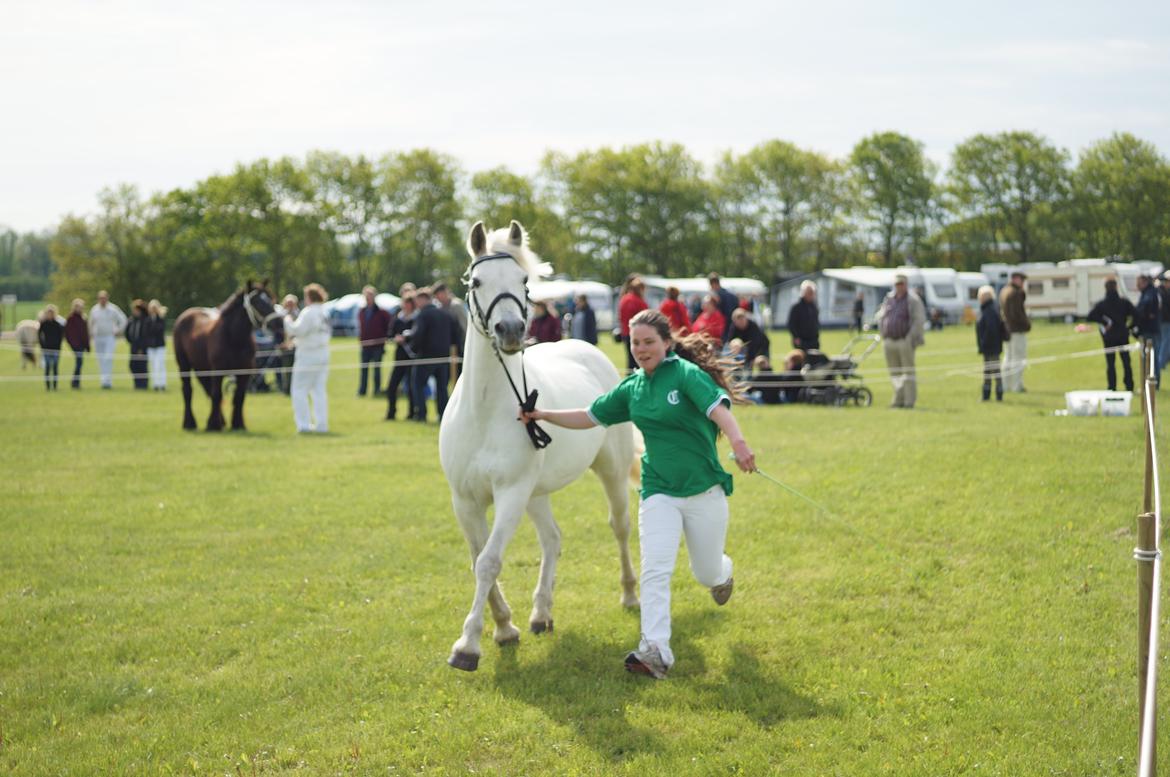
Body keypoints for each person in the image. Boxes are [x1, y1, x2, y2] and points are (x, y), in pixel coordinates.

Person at [518, 308, 756, 679]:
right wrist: (544, 414)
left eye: (648, 342)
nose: (641, 349)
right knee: (655, 571)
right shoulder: (632, 389)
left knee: (706, 572)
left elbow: (718, 410)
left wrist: (739, 443)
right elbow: (589, 415)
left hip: (703, 490)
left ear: (666, 343)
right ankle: (655, 652)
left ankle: (723, 575)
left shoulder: (685, 375)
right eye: (635, 343)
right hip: (658, 491)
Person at [284, 283, 332, 433]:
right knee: (319, 390)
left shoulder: (309, 312)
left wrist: (287, 320)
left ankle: (304, 425)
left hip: (308, 354)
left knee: (299, 390)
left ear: (309, 297)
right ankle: (321, 425)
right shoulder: (325, 312)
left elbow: (297, 330)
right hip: (323, 353)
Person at [407, 286, 458, 423]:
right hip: (444, 356)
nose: (416, 304)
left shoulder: (423, 315)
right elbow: (455, 335)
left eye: (417, 300)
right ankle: (443, 415)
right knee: (442, 388)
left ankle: (421, 414)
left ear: (424, 299)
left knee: (417, 384)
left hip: (425, 357)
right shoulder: (445, 314)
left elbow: (418, 335)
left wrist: (413, 350)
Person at [876, 273, 927, 409]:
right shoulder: (889, 298)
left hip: (904, 340)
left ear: (906, 284)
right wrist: (883, 334)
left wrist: (910, 338)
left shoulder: (913, 300)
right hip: (889, 340)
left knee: (907, 372)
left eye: (901, 284)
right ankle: (898, 399)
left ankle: (909, 401)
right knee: (894, 373)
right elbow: (881, 316)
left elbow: (919, 320)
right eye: (897, 284)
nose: (899, 286)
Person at [1087, 278, 1137, 392]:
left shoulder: (1102, 304)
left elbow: (1090, 316)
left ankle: (1112, 386)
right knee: (1126, 362)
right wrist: (1129, 327)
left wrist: (1104, 322)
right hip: (1123, 336)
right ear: (1116, 287)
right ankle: (1129, 386)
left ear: (1105, 288)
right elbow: (1136, 315)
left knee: (1110, 363)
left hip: (1109, 337)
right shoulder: (1124, 302)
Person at [386, 292, 417, 420]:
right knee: (392, 386)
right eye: (404, 303)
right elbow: (390, 335)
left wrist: (407, 338)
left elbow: (418, 336)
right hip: (399, 357)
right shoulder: (398, 319)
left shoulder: (416, 318)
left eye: (408, 303)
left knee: (410, 387)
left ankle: (411, 413)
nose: (406, 306)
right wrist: (395, 338)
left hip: (411, 358)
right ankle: (391, 413)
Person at [357, 285, 392, 397]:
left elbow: (389, 326)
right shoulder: (362, 311)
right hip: (365, 345)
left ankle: (377, 389)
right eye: (366, 296)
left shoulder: (382, 312)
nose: (368, 298)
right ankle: (362, 390)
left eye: (370, 296)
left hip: (378, 345)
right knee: (364, 369)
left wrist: (385, 337)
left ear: (374, 297)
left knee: (376, 369)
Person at [999, 271, 1031, 393]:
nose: (1023, 283)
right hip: (1016, 330)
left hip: (1008, 331)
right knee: (1018, 359)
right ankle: (1017, 386)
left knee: (1008, 358)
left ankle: (1006, 385)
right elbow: (1016, 314)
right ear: (1016, 279)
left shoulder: (1004, 291)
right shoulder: (1014, 293)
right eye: (1021, 280)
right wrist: (1027, 324)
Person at [975, 285, 1008, 402]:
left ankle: (996, 395)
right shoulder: (990, 308)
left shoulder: (989, 310)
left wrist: (984, 343)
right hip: (991, 346)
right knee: (989, 371)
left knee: (994, 371)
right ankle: (987, 395)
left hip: (991, 347)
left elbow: (990, 329)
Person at [88, 290, 126, 389]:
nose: (102, 300)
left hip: (109, 337)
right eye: (100, 298)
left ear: (107, 298)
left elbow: (123, 319)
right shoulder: (94, 309)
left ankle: (108, 381)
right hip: (98, 337)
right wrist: (91, 334)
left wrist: (118, 330)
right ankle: (103, 381)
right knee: (100, 359)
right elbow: (90, 323)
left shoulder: (113, 309)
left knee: (108, 358)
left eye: (104, 298)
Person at [1135, 273, 1162, 388]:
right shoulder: (1148, 292)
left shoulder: (1150, 293)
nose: (1137, 286)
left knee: (1151, 357)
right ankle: (1150, 383)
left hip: (1150, 330)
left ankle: (1153, 383)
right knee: (1149, 357)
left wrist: (1142, 314)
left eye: (1139, 283)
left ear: (1145, 282)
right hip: (1149, 329)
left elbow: (1147, 307)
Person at [618, 275, 648, 372]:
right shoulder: (639, 301)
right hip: (638, 334)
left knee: (630, 359)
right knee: (639, 360)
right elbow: (647, 318)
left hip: (626, 333)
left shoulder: (624, 299)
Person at [787, 280, 820, 351]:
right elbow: (791, 324)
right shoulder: (796, 307)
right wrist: (796, 337)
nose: (812, 295)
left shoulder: (814, 307)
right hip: (801, 341)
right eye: (809, 293)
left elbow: (816, 323)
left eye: (812, 293)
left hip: (813, 341)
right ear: (803, 293)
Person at [37, 304, 65, 391]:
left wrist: (58, 345)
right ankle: (48, 386)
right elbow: (39, 335)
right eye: (48, 313)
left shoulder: (58, 324)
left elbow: (61, 336)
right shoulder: (44, 324)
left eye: (52, 313)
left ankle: (55, 386)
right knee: (48, 367)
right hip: (46, 349)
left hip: (56, 349)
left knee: (55, 367)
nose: (50, 314)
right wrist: (42, 345)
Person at [124, 299, 149, 390]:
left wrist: (141, 348)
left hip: (142, 348)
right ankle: (137, 383)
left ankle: (143, 385)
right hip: (133, 346)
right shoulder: (131, 320)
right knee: (133, 365)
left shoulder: (145, 321)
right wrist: (130, 341)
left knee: (142, 366)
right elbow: (127, 332)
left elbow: (145, 336)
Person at [64, 298, 89, 389]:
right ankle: (75, 382)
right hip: (76, 345)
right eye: (78, 307)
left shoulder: (83, 318)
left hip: (81, 345)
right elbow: (68, 333)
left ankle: (76, 381)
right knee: (79, 363)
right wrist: (73, 344)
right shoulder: (70, 318)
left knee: (79, 363)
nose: (79, 309)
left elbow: (85, 333)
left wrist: (87, 346)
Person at [708, 273, 739, 344]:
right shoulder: (731, 295)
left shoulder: (718, 296)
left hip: (724, 328)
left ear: (713, 284)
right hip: (734, 326)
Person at [277, 294, 299, 395]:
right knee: (286, 369)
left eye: (292, 303)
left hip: (297, 346)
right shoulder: (281, 315)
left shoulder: (299, 314)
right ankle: (285, 389)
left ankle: (294, 388)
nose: (290, 305)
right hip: (284, 346)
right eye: (288, 303)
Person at [146, 299, 168, 391]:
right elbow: (147, 332)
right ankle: (155, 383)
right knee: (153, 365)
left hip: (160, 346)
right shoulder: (148, 320)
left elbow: (159, 330)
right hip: (151, 346)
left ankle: (162, 383)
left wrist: (158, 317)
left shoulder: (161, 319)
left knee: (160, 364)